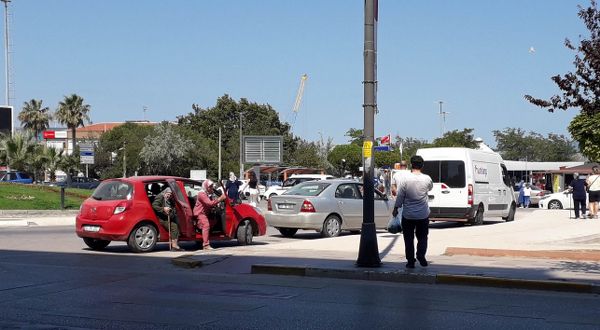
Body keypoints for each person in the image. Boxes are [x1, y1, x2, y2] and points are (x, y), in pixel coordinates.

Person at [392, 155, 433, 269]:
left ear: (411, 165)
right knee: (423, 237)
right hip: (423, 214)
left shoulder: (405, 179)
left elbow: (400, 195)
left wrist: (396, 208)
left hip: (408, 215)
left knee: (408, 239)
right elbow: (430, 188)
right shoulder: (427, 178)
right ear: (422, 165)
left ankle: (410, 261)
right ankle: (421, 255)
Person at [193, 179, 226, 250]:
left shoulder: (207, 194)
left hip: (205, 213)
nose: (211, 188)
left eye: (212, 186)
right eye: (210, 187)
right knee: (206, 225)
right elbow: (209, 203)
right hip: (200, 213)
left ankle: (202, 238)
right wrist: (220, 199)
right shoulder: (202, 194)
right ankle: (206, 245)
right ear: (205, 187)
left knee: (213, 221)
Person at [151, 187, 182, 251]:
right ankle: (174, 246)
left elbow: (173, 207)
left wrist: (172, 212)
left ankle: (175, 245)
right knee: (174, 227)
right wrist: (163, 209)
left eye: (170, 195)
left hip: (168, 216)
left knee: (176, 226)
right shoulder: (160, 197)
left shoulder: (170, 199)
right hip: (162, 218)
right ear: (165, 193)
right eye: (168, 194)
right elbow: (154, 205)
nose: (169, 196)